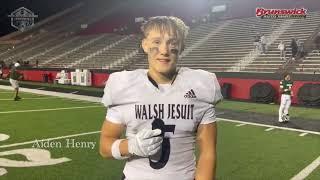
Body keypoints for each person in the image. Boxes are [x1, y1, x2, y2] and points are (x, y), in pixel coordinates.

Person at [99, 16, 223, 180]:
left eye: (172, 42)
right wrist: (131, 146)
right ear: (145, 45)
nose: (164, 50)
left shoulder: (201, 85)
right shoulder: (124, 85)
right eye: (156, 42)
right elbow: (104, 147)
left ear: (181, 46)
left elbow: (207, 152)